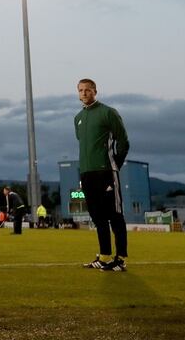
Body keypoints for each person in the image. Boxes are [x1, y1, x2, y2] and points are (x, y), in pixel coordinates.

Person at [75, 78, 130, 272]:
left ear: (95, 91)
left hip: (106, 172)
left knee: (114, 216)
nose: (84, 93)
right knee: (98, 217)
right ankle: (105, 256)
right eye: (81, 90)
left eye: (87, 90)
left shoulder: (108, 113)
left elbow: (123, 142)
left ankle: (121, 258)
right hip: (87, 173)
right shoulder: (78, 118)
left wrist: (115, 165)